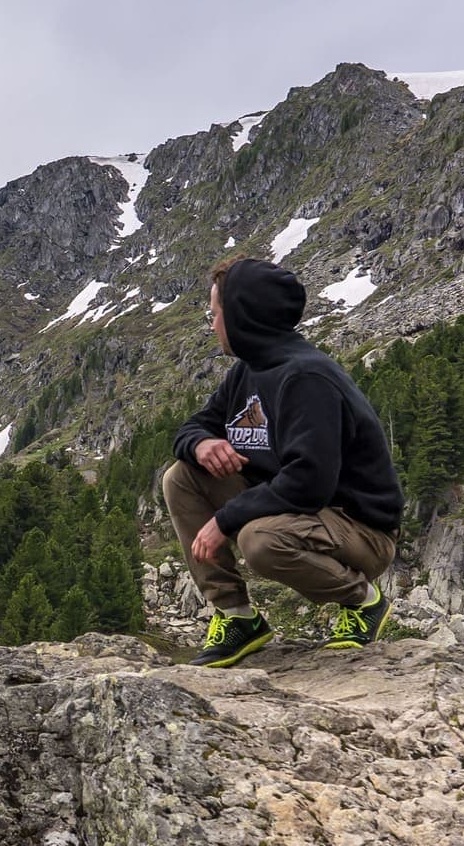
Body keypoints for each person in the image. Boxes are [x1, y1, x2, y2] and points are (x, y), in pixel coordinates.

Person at [162, 256, 403, 667]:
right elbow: (191, 428)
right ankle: (237, 617)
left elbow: (309, 481)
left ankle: (363, 601)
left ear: (241, 316)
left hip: (359, 530)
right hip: (303, 513)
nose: (212, 324)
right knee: (182, 477)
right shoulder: (246, 372)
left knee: (259, 539)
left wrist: (226, 520)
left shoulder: (306, 378)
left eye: (215, 313)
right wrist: (201, 443)